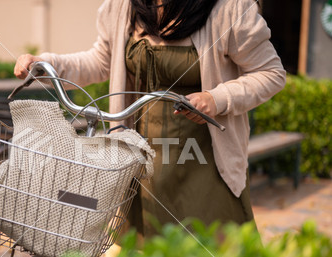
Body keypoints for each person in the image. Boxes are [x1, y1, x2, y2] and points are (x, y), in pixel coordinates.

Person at [14, 0, 286, 237]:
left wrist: (217, 99)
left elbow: (271, 73)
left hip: (205, 160)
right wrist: (47, 64)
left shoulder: (229, 8)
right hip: (141, 161)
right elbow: (100, 61)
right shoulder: (124, 7)